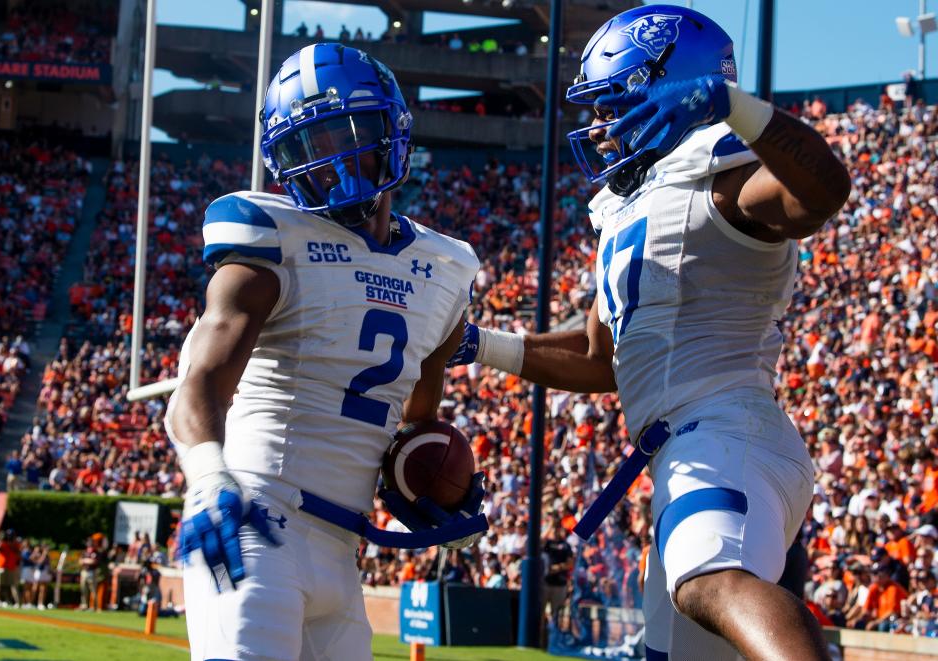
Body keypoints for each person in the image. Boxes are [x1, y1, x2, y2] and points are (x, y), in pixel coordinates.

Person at [450, 5, 850, 659]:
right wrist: (480, 345)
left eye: (611, 105)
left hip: (728, 430)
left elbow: (823, 193)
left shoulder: (719, 172)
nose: (600, 128)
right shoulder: (625, 206)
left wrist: (734, 107)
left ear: (667, 87)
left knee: (709, 582)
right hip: (687, 448)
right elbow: (593, 353)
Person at [167, 43, 483, 660]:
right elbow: (196, 386)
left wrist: (435, 490)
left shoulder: (446, 270)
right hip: (254, 518)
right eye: (308, 147)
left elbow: (415, 426)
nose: (330, 161)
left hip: (342, 548)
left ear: (391, 131)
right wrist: (207, 479)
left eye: (347, 133)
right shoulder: (269, 239)